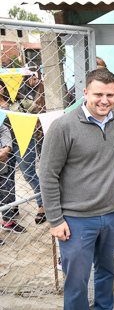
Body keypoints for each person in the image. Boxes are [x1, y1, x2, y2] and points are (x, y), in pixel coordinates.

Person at [39, 69, 114, 310]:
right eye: (98, 94)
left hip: (111, 215)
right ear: (85, 92)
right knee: (76, 281)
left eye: (110, 95)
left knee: (107, 272)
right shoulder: (63, 126)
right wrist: (55, 220)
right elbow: (47, 176)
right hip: (75, 220)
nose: (104, 100)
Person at [8, 74, 46, 224]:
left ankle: (43, 205)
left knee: (28, 174)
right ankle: (10, 205)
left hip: (23, 140)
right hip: (3, 143)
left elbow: (36, 108)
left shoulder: (20, 100)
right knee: (7, 176)